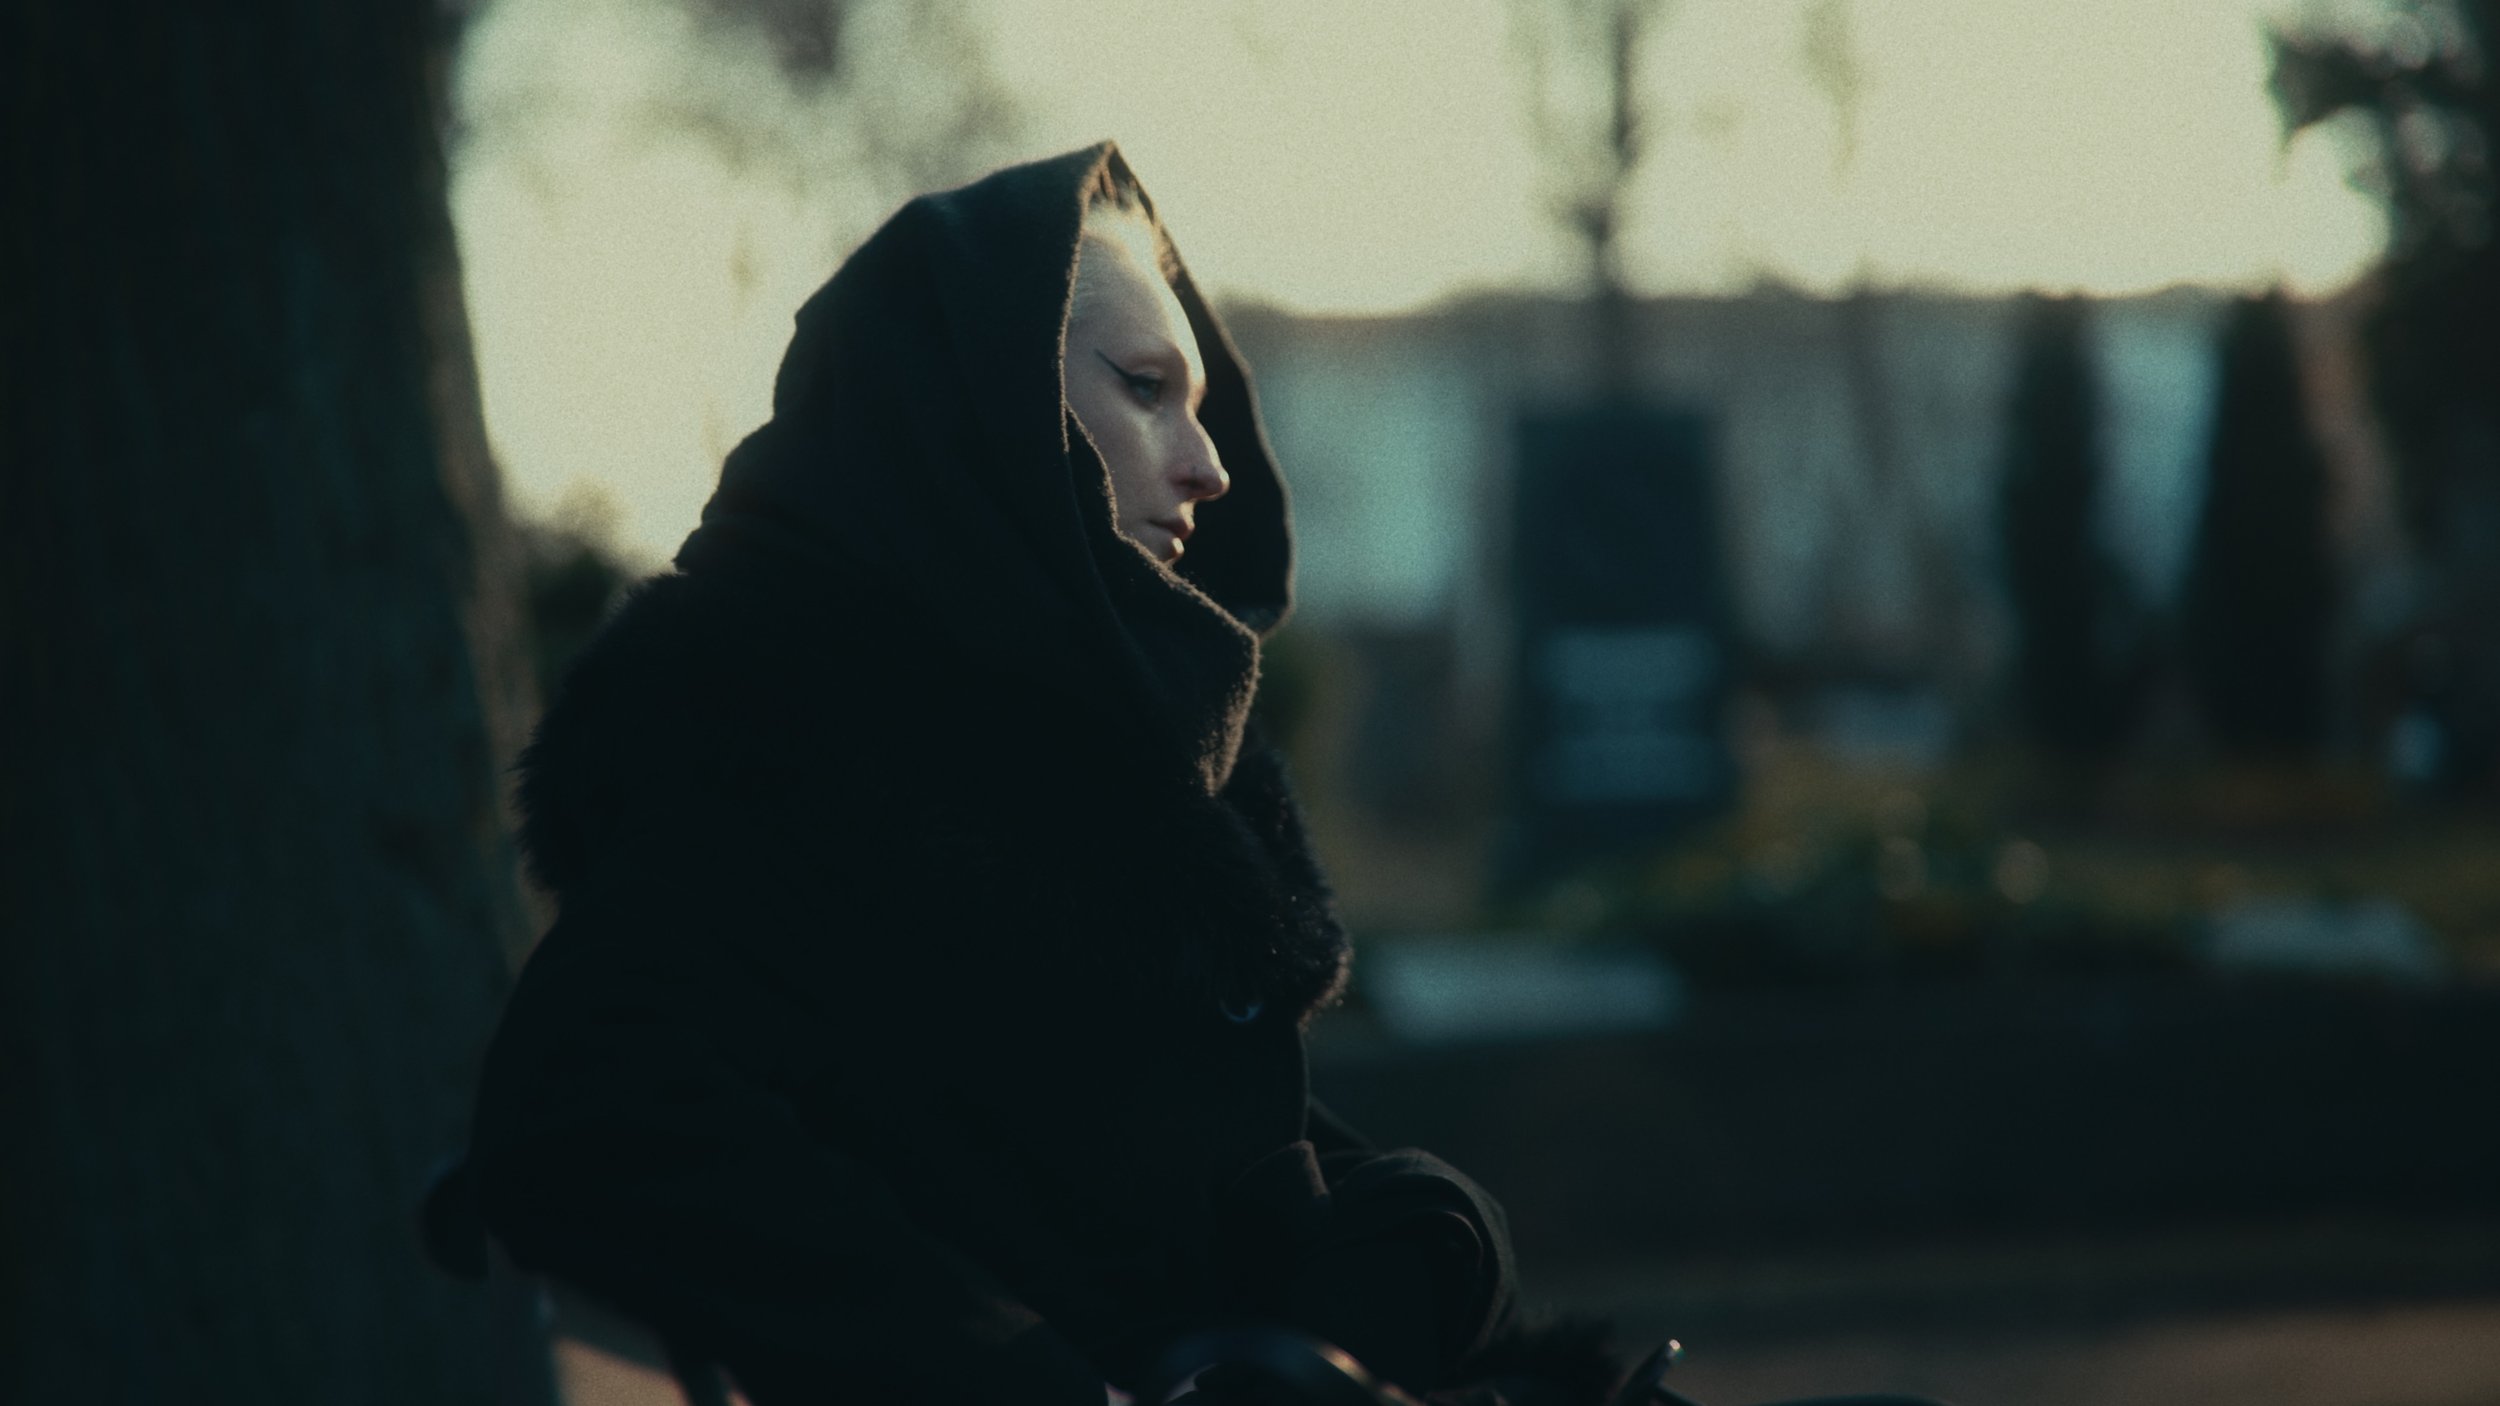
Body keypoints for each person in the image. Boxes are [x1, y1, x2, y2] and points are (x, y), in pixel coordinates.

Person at [461, 144, 1626, 1406]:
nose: (1209, 462)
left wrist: (1424, 1234)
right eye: (1143, 388)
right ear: (976, 409)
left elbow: (1148, 1163)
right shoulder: (784, 752)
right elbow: (588, 1116)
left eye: (1197, 402)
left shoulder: (1093, 789)